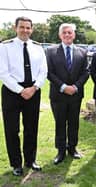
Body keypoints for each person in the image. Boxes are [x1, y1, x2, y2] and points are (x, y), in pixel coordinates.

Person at [0, 17, 47, 176]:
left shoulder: (38, 47)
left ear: (32, 29)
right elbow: (3, 73)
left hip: (33, 91)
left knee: (31, 128)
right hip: (12, 92)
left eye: (28, 28)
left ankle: (30, 160)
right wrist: (21, 90)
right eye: (22, 27)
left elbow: (43, 71)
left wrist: (34, 88)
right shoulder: (5, 47)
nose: (25, 30)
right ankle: (16, 164)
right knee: (12, 129)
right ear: (15, 28)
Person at [46, 23, 89, 165]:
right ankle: (60, 151)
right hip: (58, 95)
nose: (67, 35)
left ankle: (72, 148)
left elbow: (85, 72)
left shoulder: (82, 52)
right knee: (60, 123)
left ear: (74, 34)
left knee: (74, 123)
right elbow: (49, 73)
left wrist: (75, 87)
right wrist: (64, 87)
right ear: (60, 35)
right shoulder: (51, 51)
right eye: (64, 32)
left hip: (75, 95)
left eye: (70, 32)